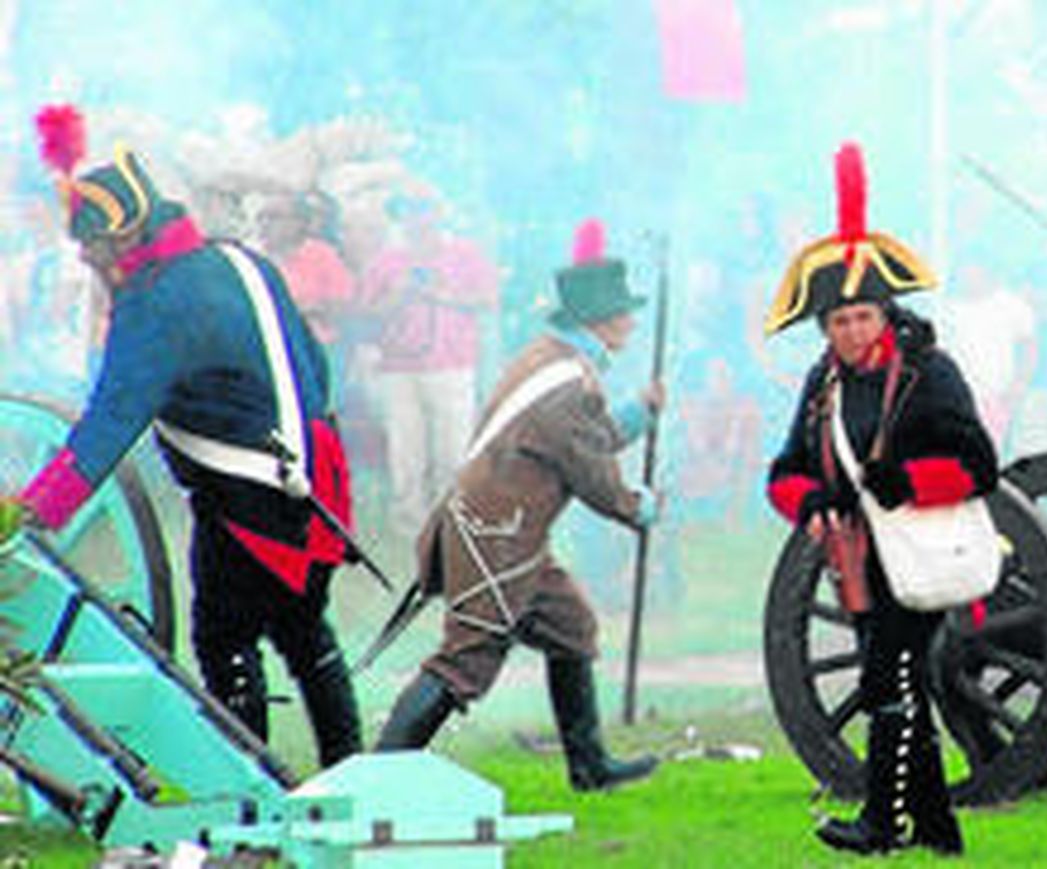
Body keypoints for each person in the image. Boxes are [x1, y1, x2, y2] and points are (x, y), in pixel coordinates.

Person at [0, 105, 360, 767]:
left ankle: (254, 780)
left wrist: (31, 511)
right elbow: (314, 362)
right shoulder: (241, 260)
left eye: (92, 246)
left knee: (224, 635)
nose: (88, 259)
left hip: (246, 493)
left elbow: (109, 423)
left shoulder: (154, 305)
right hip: (320, 477)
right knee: (304, 629)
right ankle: (349, 764)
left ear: (123, 236)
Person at [764, 143, 997, 855]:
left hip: (920, 550)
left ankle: (881, 825)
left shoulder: (931, 372)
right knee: (899, 684)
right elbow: (784, 471)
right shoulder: (823, 384)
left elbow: (979, 464)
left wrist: (909, 483)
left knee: (885, 680)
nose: (852, 332)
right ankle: (938, 831)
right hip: (860, 563)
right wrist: (810, 503)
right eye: (839, 322)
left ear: (885, 314)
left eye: (863, 317)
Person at [375, 218, 661, 793]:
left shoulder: (553, 361)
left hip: (506, 533)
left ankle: (589, 766)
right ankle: (378, 774)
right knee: (464, 662)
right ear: (601, 320)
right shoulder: (568, 384)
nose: (631, 321)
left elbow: (583, 440)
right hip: (496, 536)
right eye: (623, 312)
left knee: (571, 627)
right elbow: (593, 475)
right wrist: (639, 506)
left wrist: (638, 414)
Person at [359, 192, 499, 540]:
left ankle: (452, 526)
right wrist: (399, 295)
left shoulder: (465, 253)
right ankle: (411, 531)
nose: (418, 217)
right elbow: (366, 312)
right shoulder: (386, 261)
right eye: (410, 209)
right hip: (398, 368)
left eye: (424, 209)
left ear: (439, 213)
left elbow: (488, 299)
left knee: (452, 451)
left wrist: (443, 295)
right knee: (406, 454)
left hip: (452, 366)